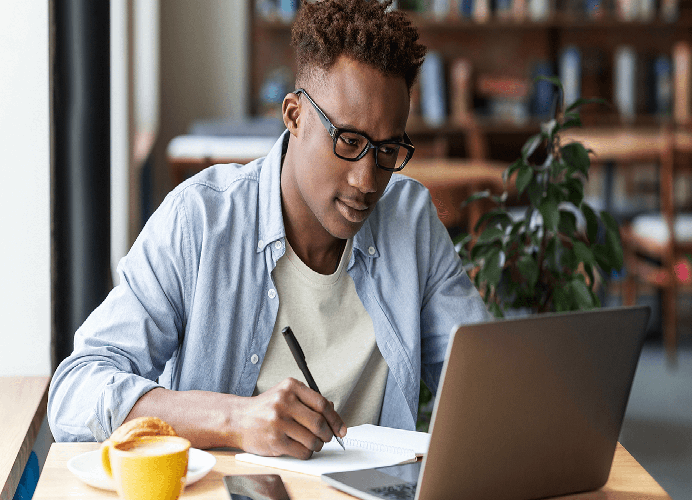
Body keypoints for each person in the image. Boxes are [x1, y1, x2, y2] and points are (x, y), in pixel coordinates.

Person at [47, 0, 489, 459]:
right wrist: (235, 421)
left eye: (387, 149)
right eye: (349, 142)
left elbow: (484, 382)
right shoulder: (200, 220)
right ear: (294, 116)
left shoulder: (410, 221)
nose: (366, 180)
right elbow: (75, 392)